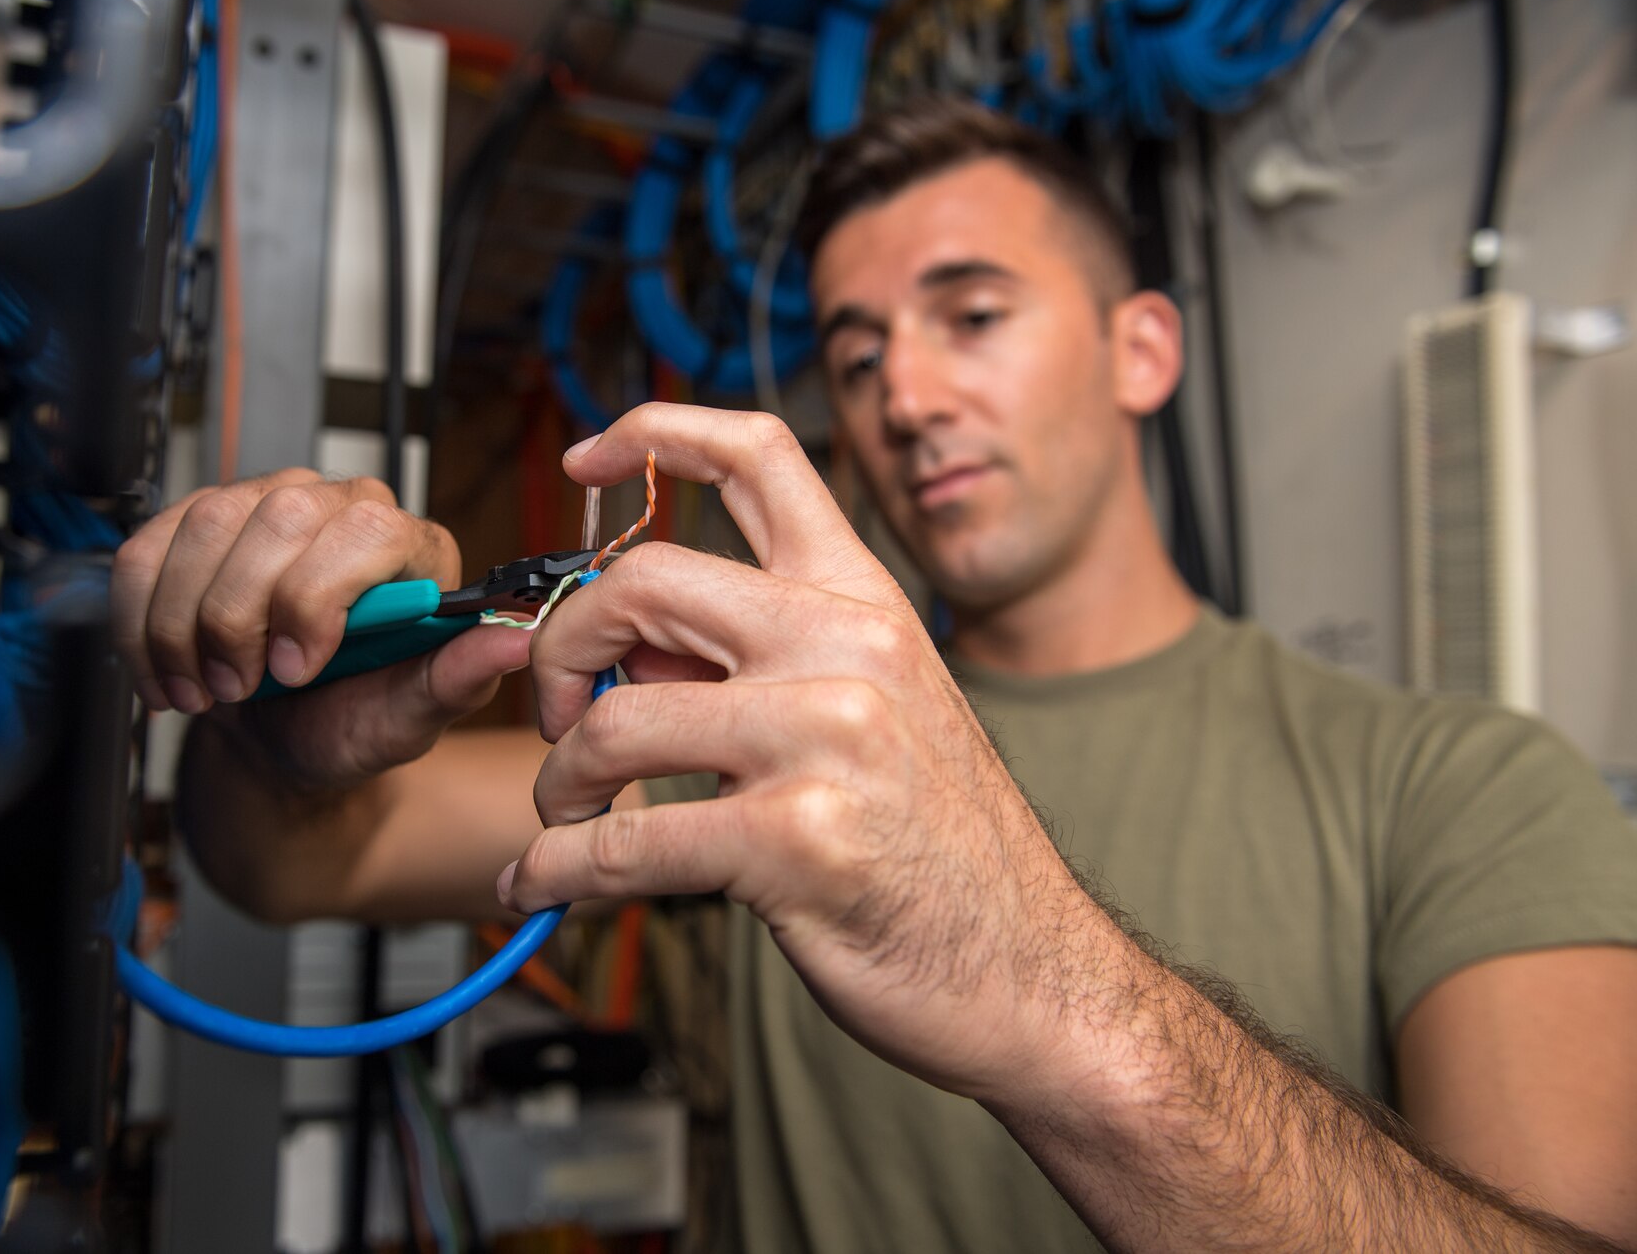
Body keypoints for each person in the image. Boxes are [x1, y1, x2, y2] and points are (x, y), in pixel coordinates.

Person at [111, 97, 1637, 1250]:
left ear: (1143, 351)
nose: (905, 393)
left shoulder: (1463, 784)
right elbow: (289, 866)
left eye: (973, 315)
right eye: (856, 354)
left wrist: (1040, 978)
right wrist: (284, 749)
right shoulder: (778, 738)